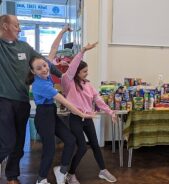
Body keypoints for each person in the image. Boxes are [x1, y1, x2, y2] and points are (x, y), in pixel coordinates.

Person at [0, 14, 61, 184]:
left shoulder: (24, 47)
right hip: (3, 100)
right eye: (16, 25)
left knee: (19, 144)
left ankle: (12, 176)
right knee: (7, 142)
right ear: (5, 26)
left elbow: (45, 63)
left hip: (22, 101)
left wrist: (63, 77)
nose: (19, 28)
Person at [25, 54, 94, 184]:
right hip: (44, 116)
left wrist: (62, 32)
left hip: (51, 112)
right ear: (33, 72)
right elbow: (64, 101)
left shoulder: (46, 72)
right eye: (39, 68)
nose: (44, 69)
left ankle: (61, 170)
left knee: (70, 139)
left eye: (45, 66)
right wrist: (82, 114)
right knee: (49, 149)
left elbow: (53, 51)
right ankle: (41, 179)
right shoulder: (40, 85)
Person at [60, 42, 117, 183]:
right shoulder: (68, 82)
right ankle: (70, 174)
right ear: (77, 72)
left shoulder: (88, 85)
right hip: (75, 118)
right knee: (82, 147)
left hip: (88, 118)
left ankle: (103, 170)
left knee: (95, 145)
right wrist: (83, 50)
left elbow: (98, 101)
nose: (87, 73)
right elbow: (72, 68)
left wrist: (110, 112)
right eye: (84, 71)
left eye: (87, 70)